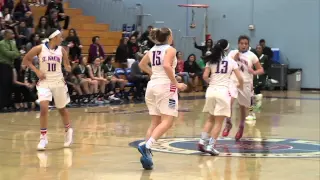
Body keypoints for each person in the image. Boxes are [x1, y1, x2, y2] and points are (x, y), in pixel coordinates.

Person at [137, 27, 187, 170]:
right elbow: (166, 65)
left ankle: (147, 156)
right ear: (169, 37)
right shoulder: (170, 49)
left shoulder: (152, 49)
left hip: (152, 86)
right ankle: (147, 146)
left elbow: (142, 64)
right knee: (168, 121)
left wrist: (153, 73)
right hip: (165, 87)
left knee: (155, 122)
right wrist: (176, 83)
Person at [22, 28, 73, 150]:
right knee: (44, 108)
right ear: (54, 37)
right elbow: (26, 60)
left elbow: (67, 65)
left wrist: (68, 68)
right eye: (60, 37)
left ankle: (68, 130)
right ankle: (43, 137)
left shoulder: (62, 50)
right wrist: (37, 71)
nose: (61, 39)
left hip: (58, 82)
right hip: (44, 82)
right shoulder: (40, 48)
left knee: (62, 109)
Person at [198, 39, 244, 155]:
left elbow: (204, 76)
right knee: (219, 122)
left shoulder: (211, 60)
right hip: (223, 92)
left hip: (211, 91)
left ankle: (202, 141)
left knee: (210, 119)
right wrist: (239, 86)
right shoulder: (231, 61)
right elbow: (240, 79)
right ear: (227, 49)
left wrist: (211, 82)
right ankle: (211, 146)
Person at [222, 35, 264, 141]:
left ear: (248, 45)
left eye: (246, 43)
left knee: (243, 107)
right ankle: (228, 123)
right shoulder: (232, 53)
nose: (243, 45)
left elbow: (261, 70)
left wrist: (254, 72)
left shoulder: (252, 56)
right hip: (233, 81)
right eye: (241, 43)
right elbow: (226, 66)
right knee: (228, 102)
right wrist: (233, 60)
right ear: (238, 44)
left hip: (246, 83)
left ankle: (241, 126)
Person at [246, 44, 271, 120]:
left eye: (259, 48)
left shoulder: (264, 58)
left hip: (257, 78)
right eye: (256, 48)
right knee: (250, 97)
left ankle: (252, 112)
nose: (258, 50)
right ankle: (257, 101)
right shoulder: (250, 59)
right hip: (249, 80)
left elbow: (264, 69)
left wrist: (262, 74)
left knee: (251, 97)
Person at [0, 29, 20, 111]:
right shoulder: (1, 43)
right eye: (11, 33)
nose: (13, 35)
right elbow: (7, 53)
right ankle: (2, 105)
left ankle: (8, 104)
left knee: (9, 85)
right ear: (6, 34)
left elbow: (17, 53)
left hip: (11, 65)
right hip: (3, 65)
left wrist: (14, 54)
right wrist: (14, 54)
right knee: (4, 85)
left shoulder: (13, 42)